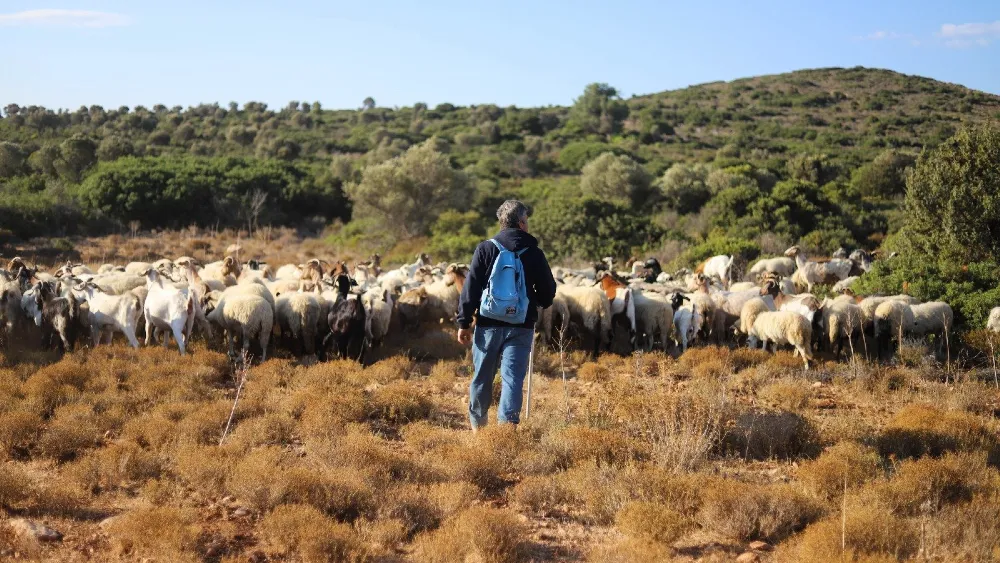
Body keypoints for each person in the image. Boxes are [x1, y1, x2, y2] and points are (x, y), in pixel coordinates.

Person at [457, 200, 557, 432]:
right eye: (527, 220)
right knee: (512, 379)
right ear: (522, 223)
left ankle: (478, 428)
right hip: (521, 325)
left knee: (482, 377)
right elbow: (548, 290)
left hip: (488, 324)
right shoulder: (534, 252)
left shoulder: (486, 248)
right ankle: (506, 430)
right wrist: (539, 303)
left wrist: (464, 321)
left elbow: (470, 287)